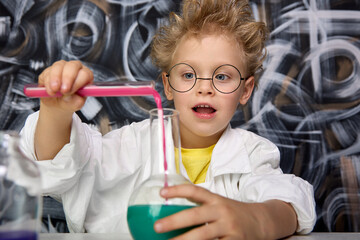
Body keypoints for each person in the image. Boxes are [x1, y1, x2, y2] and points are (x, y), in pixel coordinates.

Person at [20, 0, 316, 239]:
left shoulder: (253, 154)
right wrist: (55, 112)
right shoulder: (131, 145)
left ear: (245, 90)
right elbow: (57, 164)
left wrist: (257, 220)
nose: (204, 87)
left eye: (222, 76)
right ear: (168, 85)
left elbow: (290, 202)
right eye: (188, 74)